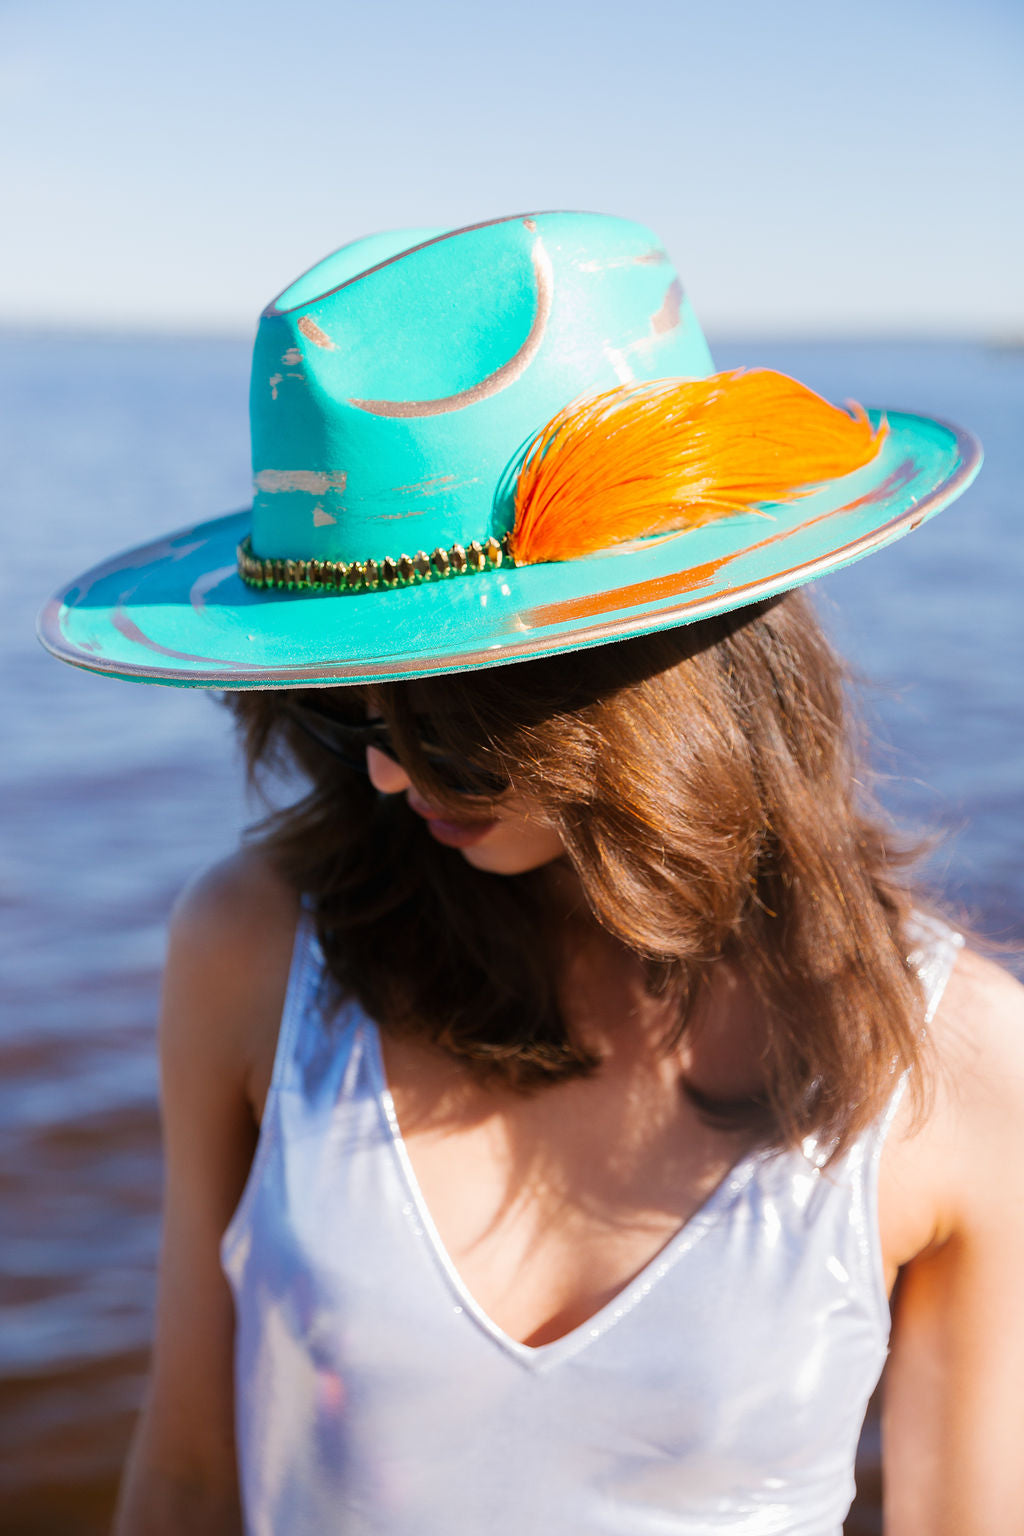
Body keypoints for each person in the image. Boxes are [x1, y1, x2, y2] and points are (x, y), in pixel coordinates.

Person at [38, 212, 1024, 1535]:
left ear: (656, 682)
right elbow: (187, 1477)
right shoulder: (254, 950)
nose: (387, 773)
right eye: (352, 707)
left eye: (448, 723)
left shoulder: (952, 1063)